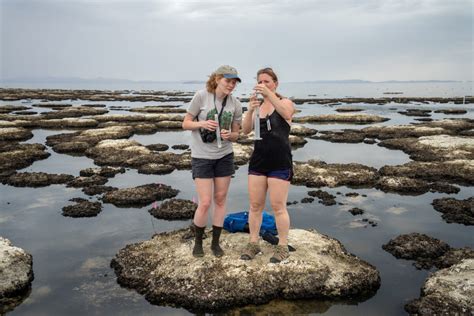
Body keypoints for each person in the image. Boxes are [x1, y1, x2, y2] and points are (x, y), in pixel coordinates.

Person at [182, 65, 243, 257]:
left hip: (224, 156)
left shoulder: (236, 104)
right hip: (201, 157)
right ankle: (198, 242)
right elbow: (185, 123)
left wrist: (229, 135)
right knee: (206, 202)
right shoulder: (201, 96)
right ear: (217, 79)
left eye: (234, 82)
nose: (231, 85)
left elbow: (236, 134)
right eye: (228, 81)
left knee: (220, 199)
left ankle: (216, 243)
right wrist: (202, 123)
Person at [240, 67, 295, 263]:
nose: (262, 85)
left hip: (280, 162)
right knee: (255, 206)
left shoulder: (285, 102)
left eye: (267, 82)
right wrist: (250, 110)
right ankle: (253, 243)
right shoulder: (258, 106)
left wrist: (270, 96)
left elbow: (287, 113)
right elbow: (245, 131)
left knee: (278, 206)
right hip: (258, 162)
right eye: (259, 82)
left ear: (275, 84)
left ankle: (282, 246)